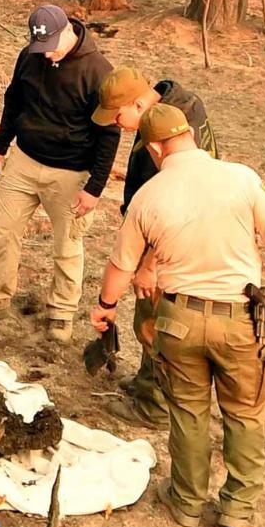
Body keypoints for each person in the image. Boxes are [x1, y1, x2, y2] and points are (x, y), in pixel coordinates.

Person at [88, 104, 265, 527]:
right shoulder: (242, 177)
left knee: (188, 413)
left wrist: (105, 307)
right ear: (191, 135)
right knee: (245, 413)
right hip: (240, 320)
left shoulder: (148, 196)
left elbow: (120, 265)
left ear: (154, 147)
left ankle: (186, 502)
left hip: (178, 320)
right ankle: (238, 506)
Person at [0, 3, 120, 343]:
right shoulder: (30, 55)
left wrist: (94, 188)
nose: (46, 54)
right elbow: (14, 101)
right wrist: (0, 145)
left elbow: (110, 134)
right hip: (24, 161)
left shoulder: (99, 72)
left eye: (51, 46)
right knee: (3, 233)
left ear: (68, 32)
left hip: (71, 173)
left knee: (67, 246)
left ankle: (61, 313)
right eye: (40, 47)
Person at [84, 68, 214, 414]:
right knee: (149, 317)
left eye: (118, 115)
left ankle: (154, 406)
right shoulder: (170, 105)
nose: (116, 123)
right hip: (162, 232)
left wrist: (150, 265)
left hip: (172, 246)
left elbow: (179, 203)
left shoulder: (169, 133)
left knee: (158, 320)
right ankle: (147, 381)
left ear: (137, 103)